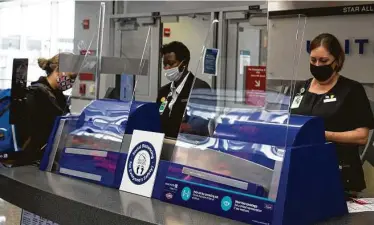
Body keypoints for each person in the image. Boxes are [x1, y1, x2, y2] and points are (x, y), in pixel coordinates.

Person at [290, 33, 374, 193]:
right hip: (301, 171)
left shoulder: (352, 90)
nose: (317, 65)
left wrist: (323, 134)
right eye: (313, 60)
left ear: (337, 61)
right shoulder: (300, 88)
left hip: (340, 175)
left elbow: (362, 136)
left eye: (324, 61)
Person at [11, 53, 76, 165]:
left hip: (48, 156)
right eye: (71, 77)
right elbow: (43, 130)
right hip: (33, 159)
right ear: (57, 69)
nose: (71, 82)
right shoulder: (38, 93)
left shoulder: (58, 95)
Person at [157, 41, 212, 139]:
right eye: (165, 64)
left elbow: (198, 124)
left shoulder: (199, 88)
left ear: (184, 63)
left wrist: (175, 127)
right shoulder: (164, 91)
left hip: (188, 147)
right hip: (164, 144)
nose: (167, 68)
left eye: (171, 63)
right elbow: (157, 118)